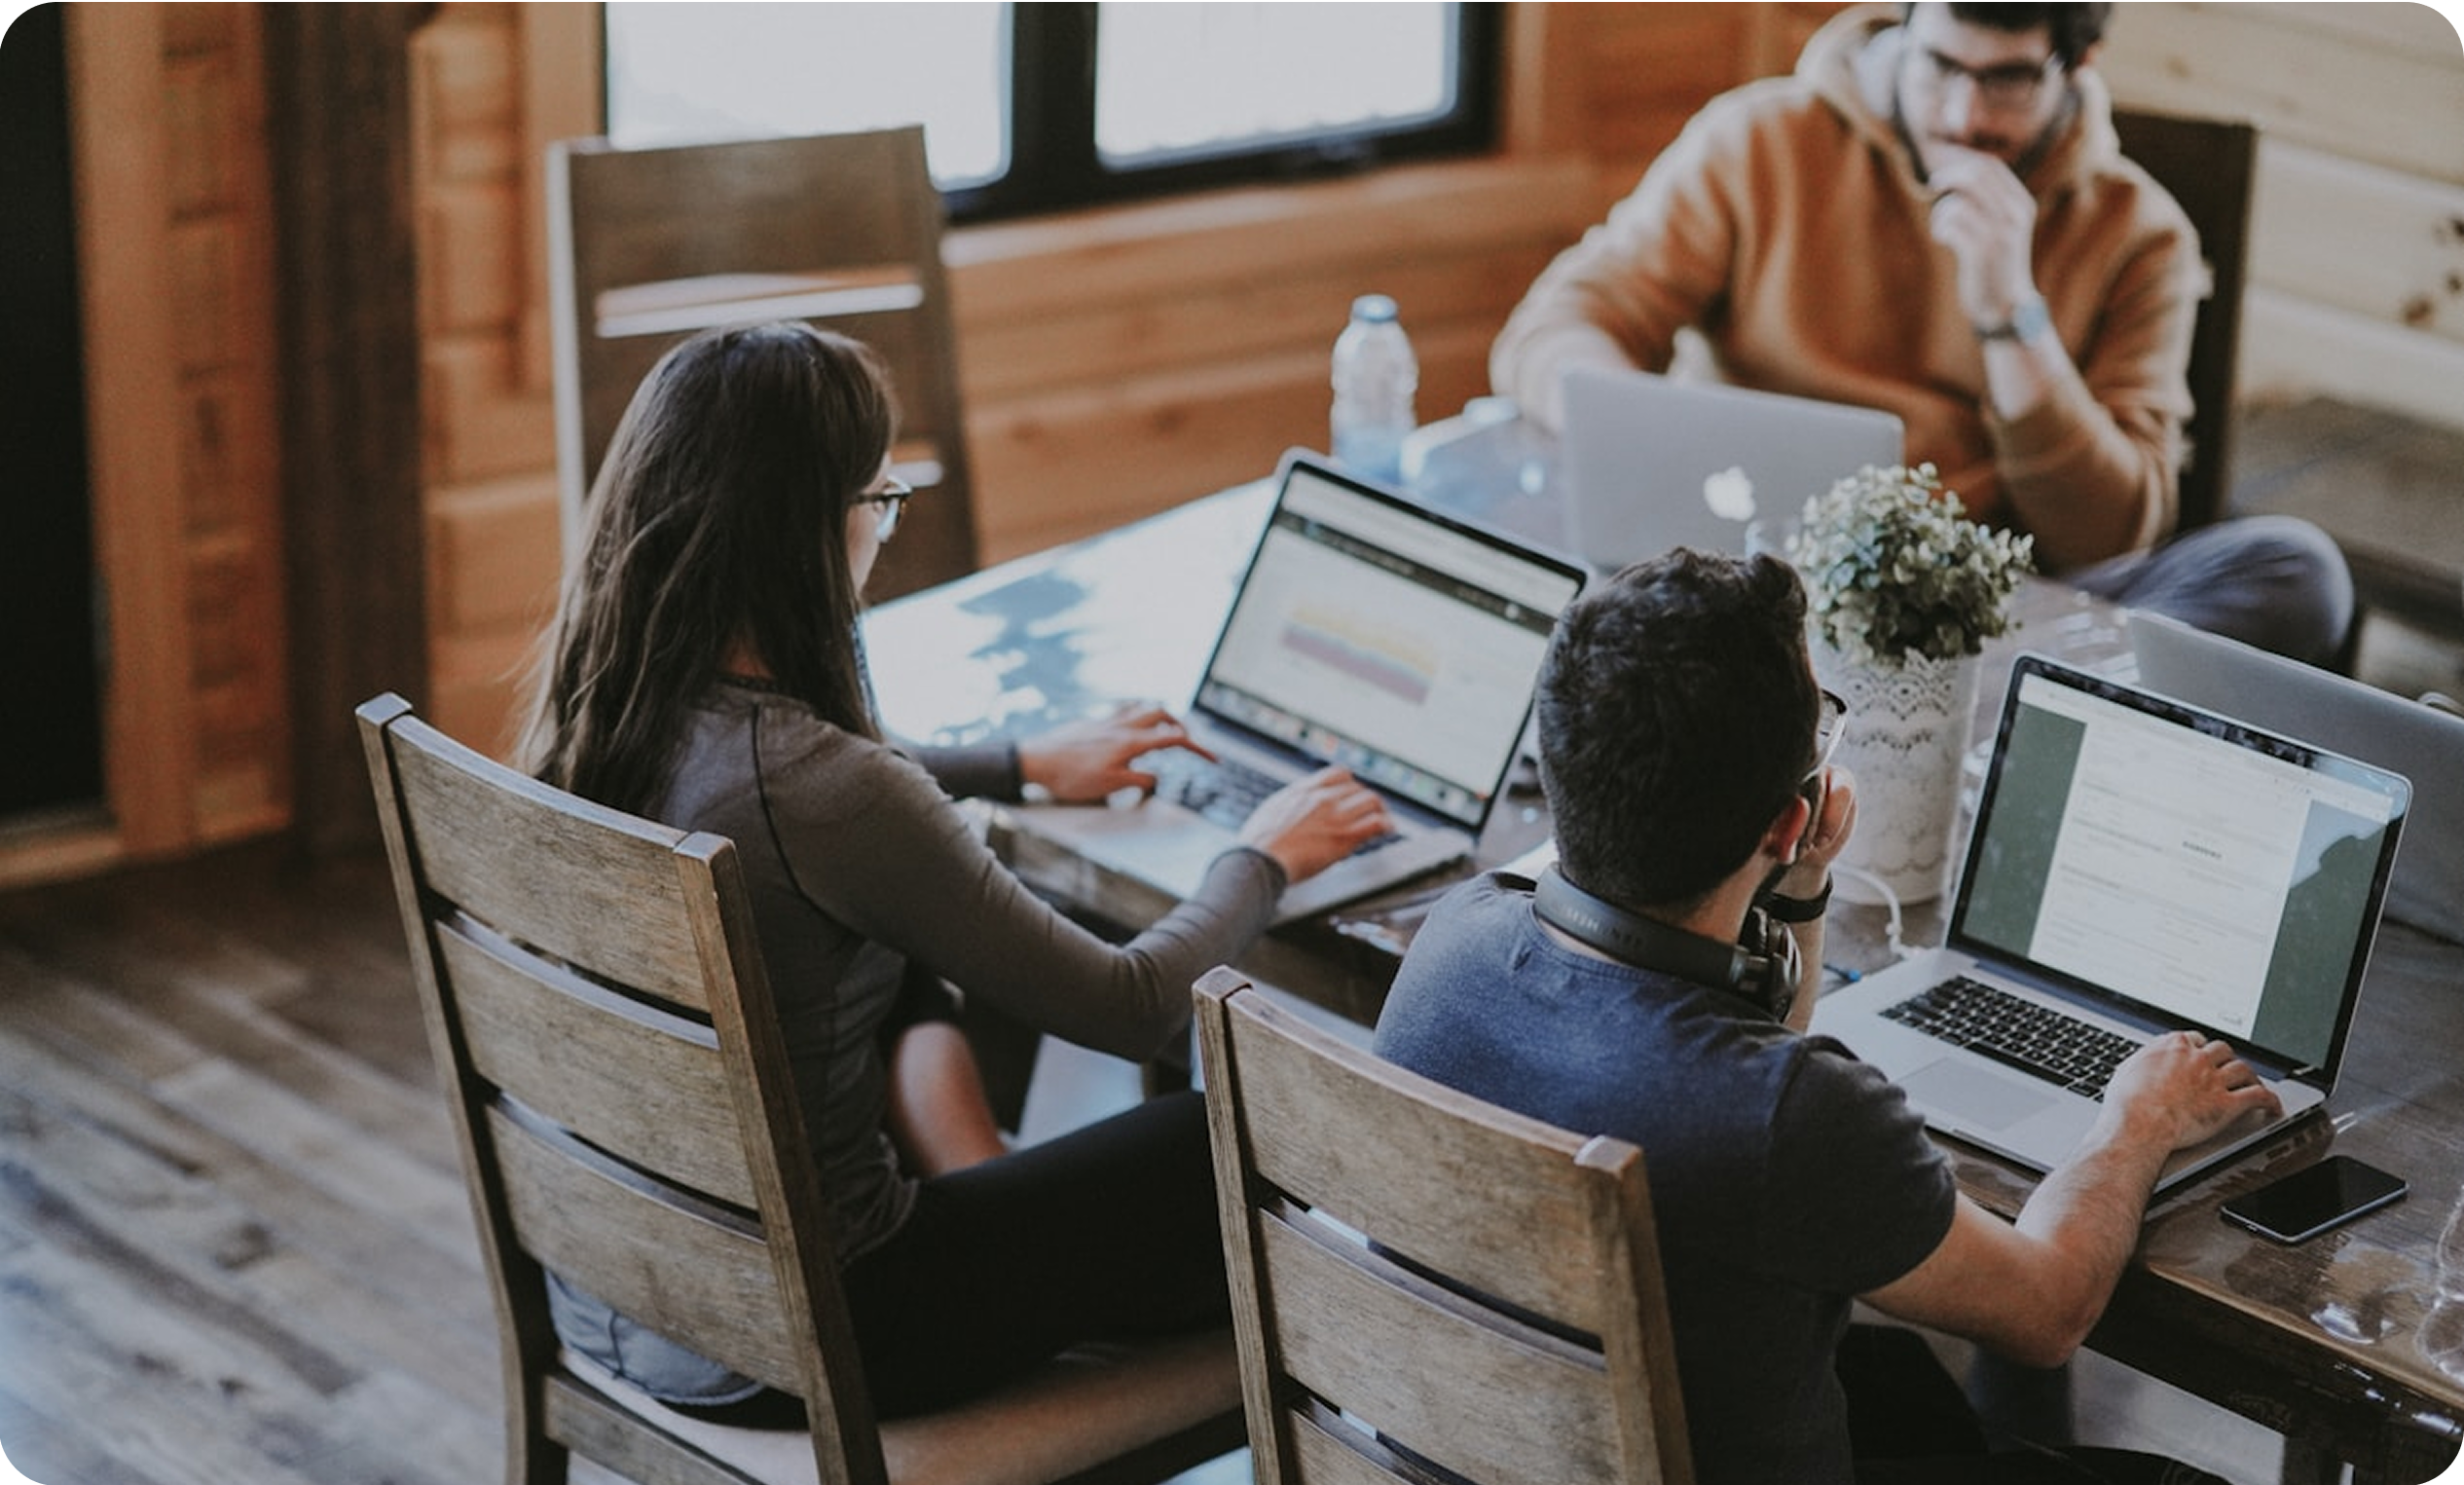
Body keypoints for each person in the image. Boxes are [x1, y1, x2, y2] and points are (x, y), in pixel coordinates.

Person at [516, 319, 1393, 1421]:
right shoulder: (824, 791)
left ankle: (988, 1185)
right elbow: (1124, 1005)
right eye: (879, 502)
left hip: (624, 1291)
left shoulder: (607, 710)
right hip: (828, 1328)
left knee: (893, 947)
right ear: (810, 530)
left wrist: (1018, 764)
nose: (885, 530)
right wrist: (1262, 853)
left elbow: (819, 799)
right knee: (1213, 1137)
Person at [1373, 549, 2279, 1484]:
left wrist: (1799, 890)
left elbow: (1739, 1085)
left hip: (1475, 1456)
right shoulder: (1794, 1114)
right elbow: (2050, 1311)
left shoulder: (1450, 943)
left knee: (1898, 1383)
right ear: (1782, 819)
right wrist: (2140, 1118)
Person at [1491, 2, 2352, 666]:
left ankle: (1954, 728)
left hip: (1985, 618)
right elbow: (1554, 329)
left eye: (2008, 80)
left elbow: (2113, 535)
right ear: (1904, 22)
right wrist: (1639, 436)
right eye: (1939, 64)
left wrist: (2011, 313)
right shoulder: (1759, 139)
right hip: (1742, 575)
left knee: (2296, 572)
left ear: (2078, 63)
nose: (1963, 113)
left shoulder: (2142, 236)